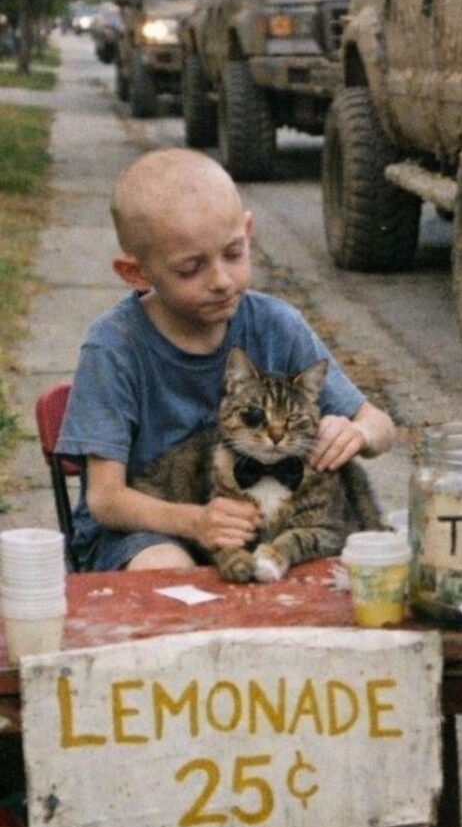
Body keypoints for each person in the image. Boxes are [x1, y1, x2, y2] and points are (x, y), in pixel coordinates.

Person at [57, 148, 395, 575]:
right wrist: (195, 521)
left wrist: (357, 433)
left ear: (248, 232)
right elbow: (106, 500)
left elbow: (381, 426)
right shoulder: (114, 347)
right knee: (169, 568)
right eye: (190, 269)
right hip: (149, 527)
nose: (220, 281)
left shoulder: (277, 325)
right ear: (136, 273)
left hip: (262, 521)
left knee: (327, 570)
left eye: (233, 254)